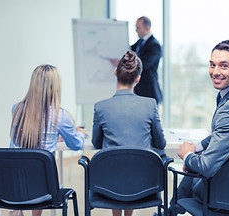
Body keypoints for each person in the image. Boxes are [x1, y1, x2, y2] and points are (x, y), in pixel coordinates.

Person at [168, 40, 229, 216]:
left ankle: (170, 212)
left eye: (223, 66)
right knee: (193, 163)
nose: (215, 72)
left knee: (191, 169)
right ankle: (170, 212)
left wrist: (187, 155)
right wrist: (196, 148)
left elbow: (207, 167)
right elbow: (221, 134)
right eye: (212, 65)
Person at [92, 50, 166, 216]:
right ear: (138, 79)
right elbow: (161, 144)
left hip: (109, 184)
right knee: (131, 168)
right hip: (143, 183)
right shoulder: (150, 104)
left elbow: (97, 143)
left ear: (115, 72)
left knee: (117, 168)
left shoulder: (100, 106)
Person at [10, 64, 85, 216]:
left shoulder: (16, 109)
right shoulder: (60, 116)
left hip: (13, 188)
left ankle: (18, 210)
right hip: (44, 191)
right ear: (55, 87)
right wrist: (81, 134)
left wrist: (53, 137)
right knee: (41, 178)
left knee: (30, 171)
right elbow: (76, 145)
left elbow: (25, 139)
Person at [130, 16, 162, 104]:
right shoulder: (139, 43)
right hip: (139, 91)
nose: (136, 30)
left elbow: (144, 64)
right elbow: (128, 49)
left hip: (149, 92)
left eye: (138, 28)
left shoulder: (154, 45)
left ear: (147, 28)